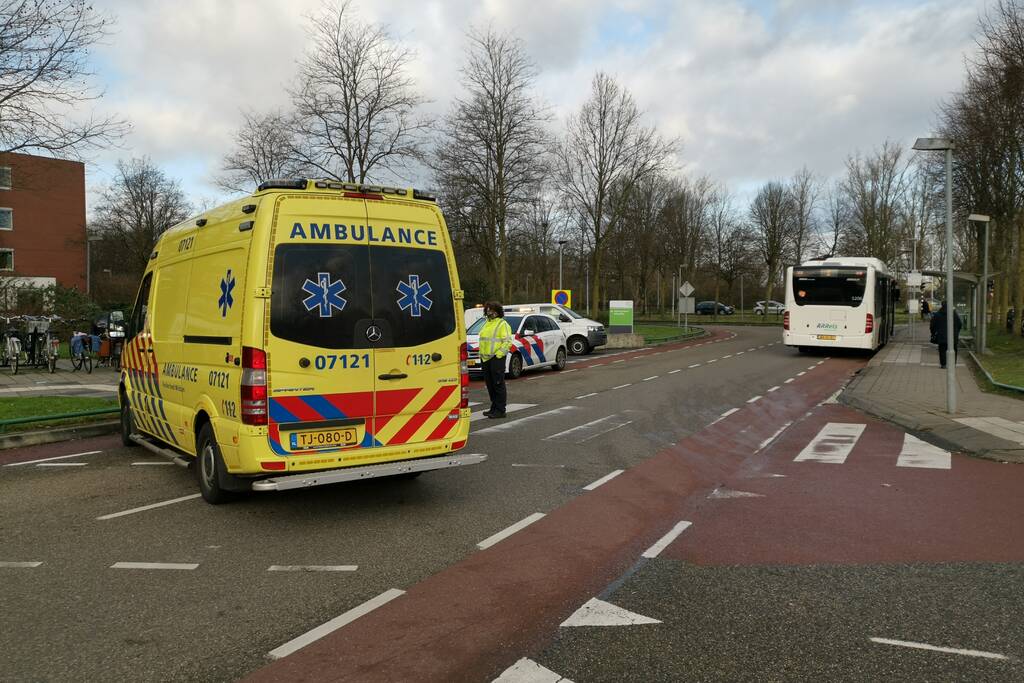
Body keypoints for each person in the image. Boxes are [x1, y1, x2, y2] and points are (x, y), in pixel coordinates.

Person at [478, 301, 513, 418]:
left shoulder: (502, 324)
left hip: (496, 358)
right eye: (487, 309)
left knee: (498, 384)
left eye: (491, 310)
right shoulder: (486, 323)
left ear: (497, 312)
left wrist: (499, 355)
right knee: (490, 385)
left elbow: (507, 342)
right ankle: (494, 407)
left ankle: (500, 410)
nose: (489, 312)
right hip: (485, 358)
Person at [930, 301, 962, 368]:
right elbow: (959, 324)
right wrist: (956, 332)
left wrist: (933, 333)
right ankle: (952, 364)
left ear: (942, 305)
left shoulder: (937, 314)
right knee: (953, 349)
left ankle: (943, 364)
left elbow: (932, 326)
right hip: (953, 336)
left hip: (942, 336)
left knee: (942, 350)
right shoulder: (954, 314)